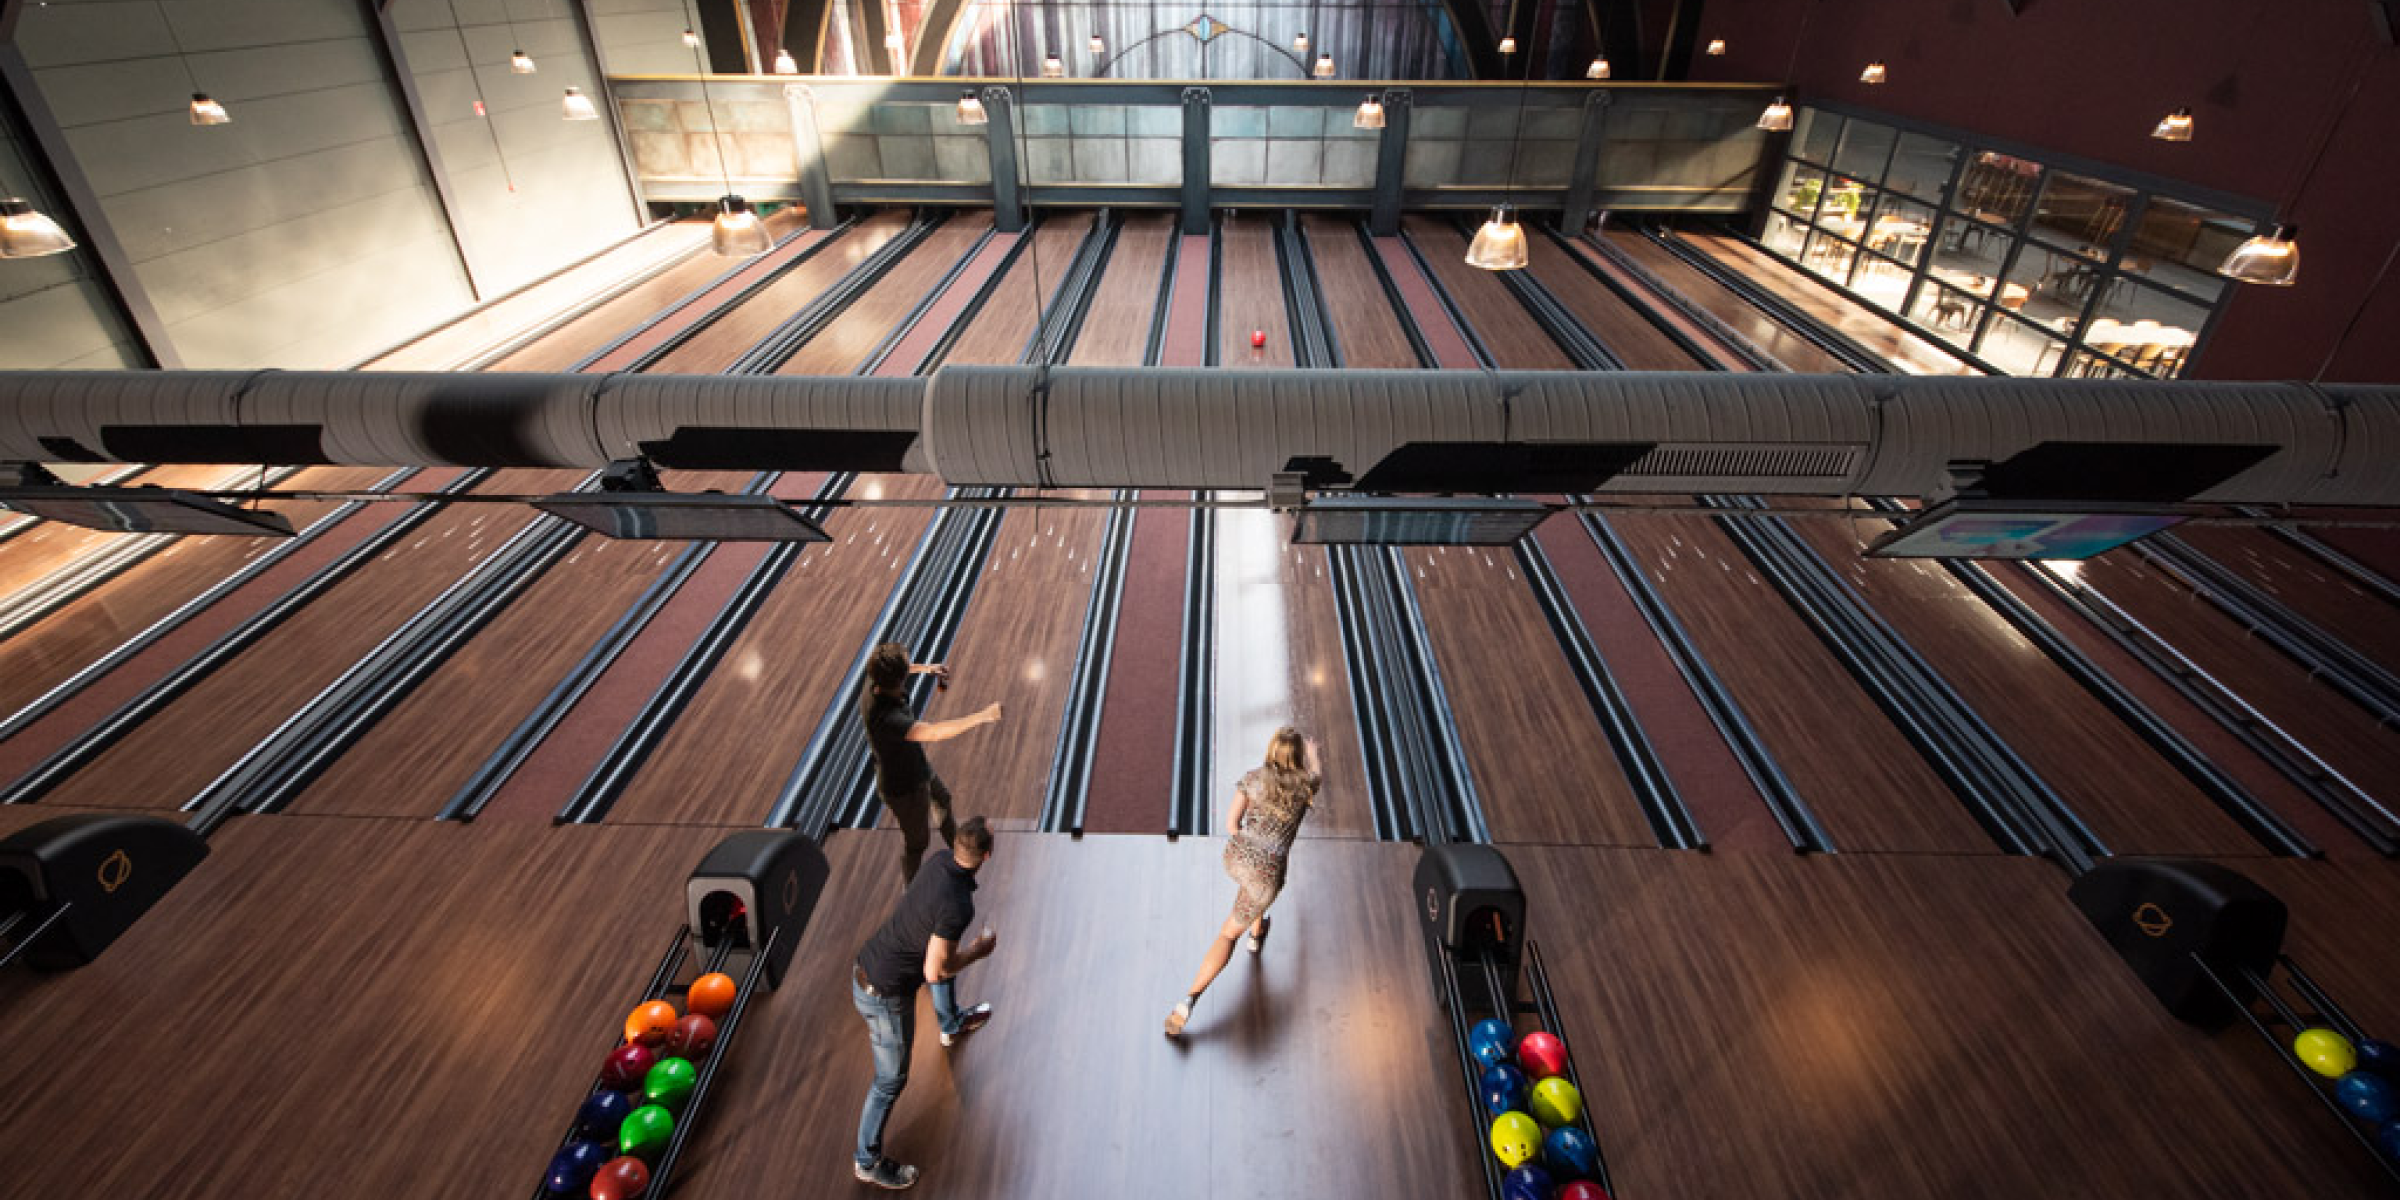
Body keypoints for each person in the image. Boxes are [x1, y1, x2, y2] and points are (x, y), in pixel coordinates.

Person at [851, 816, 1000, 1190]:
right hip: (884, 996)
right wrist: (977, 952)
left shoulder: (938, 861)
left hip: (871, 963)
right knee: (890, 1081)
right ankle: (866, 1162)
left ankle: (950, 1025)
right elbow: (937, 970)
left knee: (938, 958)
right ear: (987, 854)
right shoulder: (958, 905)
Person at [1164, 727, 1321, 1038]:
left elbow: (1231, 824)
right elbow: (1317, 770)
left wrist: (1248, 849)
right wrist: (1313, 753)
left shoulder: (1252, 779)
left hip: (1235, 859)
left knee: (1251, 893)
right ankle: (1187, 1001)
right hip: (1266, 876)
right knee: (1227, 934)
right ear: (1299, 757)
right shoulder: (1307, 787)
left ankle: (1257, 932)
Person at [859, 643, 1001, 886]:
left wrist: (926, 669)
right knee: (917, 844)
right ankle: (910, 891)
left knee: (943, 799)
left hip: (917, 766)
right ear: (899, 678)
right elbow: (934, 733)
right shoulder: (886, 717)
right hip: (904, 787)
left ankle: (960, 857)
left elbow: (899, 669)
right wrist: (983, 716)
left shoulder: (875, 679)